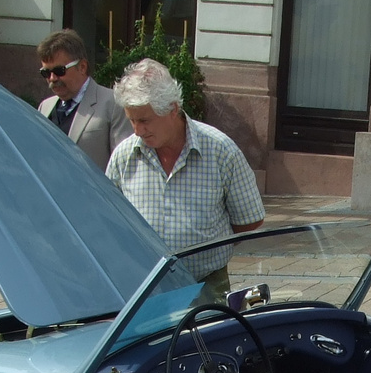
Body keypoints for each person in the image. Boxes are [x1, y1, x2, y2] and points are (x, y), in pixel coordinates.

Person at [106, 58, 265, 295]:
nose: (138, 130)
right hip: (142, 286)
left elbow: (249, 220)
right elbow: (109, 219)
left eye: (144, 120)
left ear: (172, 109)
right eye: (132, 120)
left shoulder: (220, 150)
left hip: (205, 284)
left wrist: (206, 249)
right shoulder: (124, 155)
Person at [35, 28, 132, 170]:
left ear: (82, 67)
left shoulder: (113, 103)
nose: (52, 78)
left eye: (59, 71)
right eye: (46, 73)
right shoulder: (45, 107)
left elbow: (123, 165)